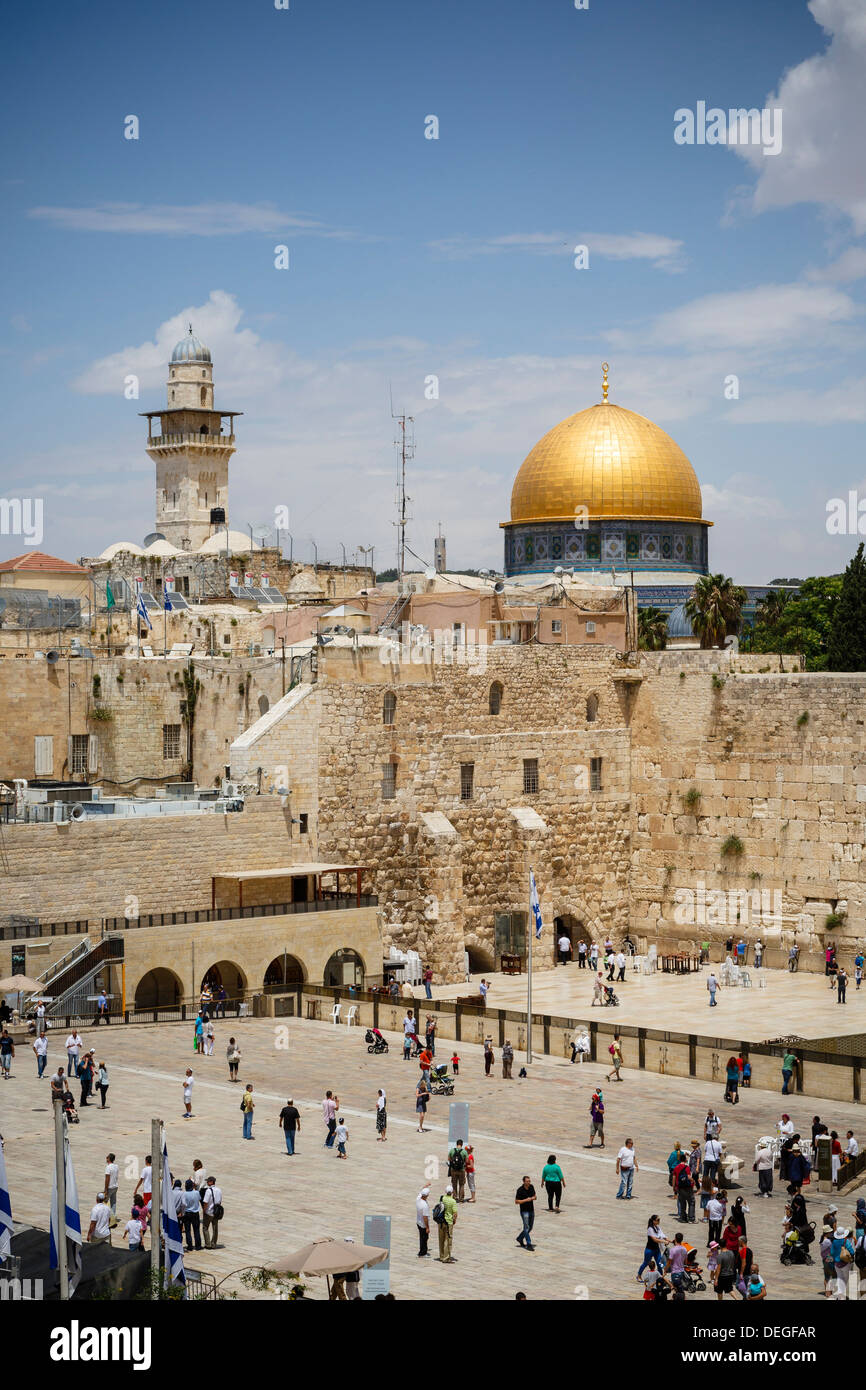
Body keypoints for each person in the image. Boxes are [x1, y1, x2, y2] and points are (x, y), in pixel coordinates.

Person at [436, 1185, 458, 1262]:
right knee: (448, 1240)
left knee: (441, 1239)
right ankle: (446, 1257)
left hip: (441, 1222)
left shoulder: (442, 1198)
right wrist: (454, 1220)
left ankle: (441, 1256)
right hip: (448, 1222)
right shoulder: (453, 1201)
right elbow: (455, 1213)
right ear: (452, 1192)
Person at [515, 1176, 537, 1250]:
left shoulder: (531, 1187)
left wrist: (533, 1198)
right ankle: (529, 1243)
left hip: (531, 1210)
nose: (528, 1182)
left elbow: (535, 1196)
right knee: (526, 1227)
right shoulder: (520, 1190)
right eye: (527, 1181)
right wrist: (525, 1200)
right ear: (523, 1182)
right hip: (524, 1211)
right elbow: (516, 1201)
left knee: (530, 1227)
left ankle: (520, 1238)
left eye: (529, 1181)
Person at [673, 1155, 696, 1223]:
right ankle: (691, 1218)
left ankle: (683, 1218)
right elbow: (688, 1177)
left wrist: (674, 1187)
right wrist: (693, 1181)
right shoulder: (687, 1167)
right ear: (685, 1160)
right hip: (688, 1187)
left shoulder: (676, 1168)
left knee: (682, 1203)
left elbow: (674, 1178)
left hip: (680, 1187)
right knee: (691, 1202)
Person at [181, 1179, 202, 1252]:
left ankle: (190, 1246)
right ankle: (198, 1245)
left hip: (187, 1213)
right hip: (195, 1213)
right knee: (196, 1230)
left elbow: (183, 1204)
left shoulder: (184, 1194)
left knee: (188, 1230)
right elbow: (199, 1199)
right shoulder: (196, 1193)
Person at [202, 1176, 222, 1249]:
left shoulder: (208, 1191)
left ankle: (208, 1244)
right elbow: (220, 1201)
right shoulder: (219, 1190)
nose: (207, 1182)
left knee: (205, 1228)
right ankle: (213, 1244)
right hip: (216, 1213)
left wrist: (204, 1211)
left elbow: (205, 1202)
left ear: (211, 1182)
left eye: (208, 1181)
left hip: (209, 1212)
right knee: (215, 1229)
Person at [104, 1153, 119, 1225]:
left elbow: (107, 1178)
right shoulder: (116, 1166)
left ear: (109, 1159)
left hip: (110, 1187)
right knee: (113, 1203)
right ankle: (113, 1219)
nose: (106, 1159)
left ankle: (105, 1218)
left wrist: (106, 1189)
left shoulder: (108, 1167)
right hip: (115, 1186)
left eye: (107, 1157)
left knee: (104, 1202)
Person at [416, 1186, 431, 1256]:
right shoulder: (424, 1205)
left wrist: (426, 1185)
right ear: (427, 1195)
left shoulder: (418, 1199)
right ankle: (422, 1253)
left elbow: (421, 1190)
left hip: (418, 1222)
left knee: (422, 1238)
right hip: (423, 1224)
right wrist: (427, 1227)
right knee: (424, 1239)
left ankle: (423, 1250)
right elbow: (425, 1217)